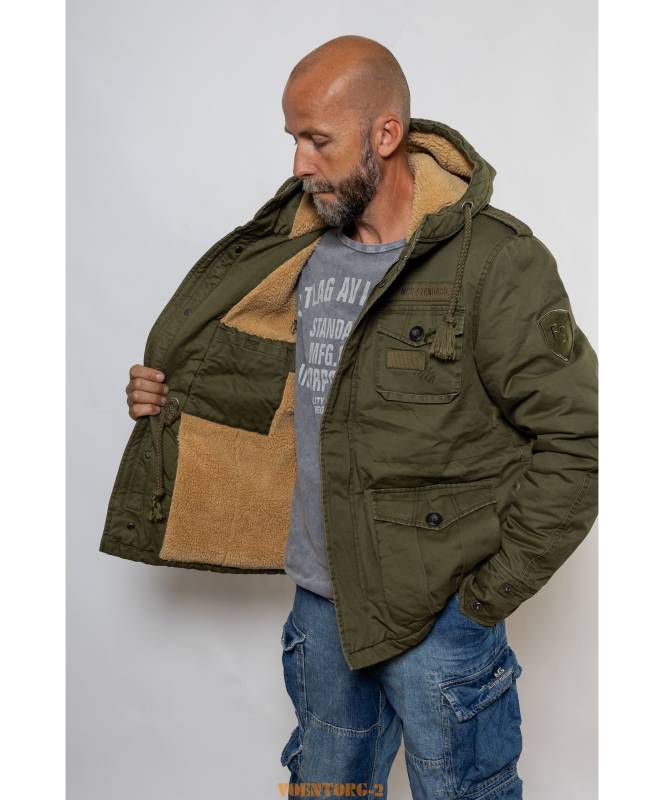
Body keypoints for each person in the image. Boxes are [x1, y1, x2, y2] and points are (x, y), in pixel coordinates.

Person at [108, 34, 598, 799]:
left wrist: (481, 602)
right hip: (320, 606)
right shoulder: (300, 251)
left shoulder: (494, 262)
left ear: (386, 133)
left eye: (318, 140)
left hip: (438, 614)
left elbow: (581, 438)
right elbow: (275, 394)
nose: (300, 163)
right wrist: (169, 400)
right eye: (293, 139)